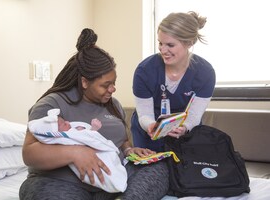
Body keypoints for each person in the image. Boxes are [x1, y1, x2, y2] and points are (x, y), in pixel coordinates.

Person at [19, 28, 170, 200]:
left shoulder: (114, 105)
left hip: (111, 182)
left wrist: (130, 151)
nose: (112, 89)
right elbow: (29, 154)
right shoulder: (53, 104)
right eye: (106, 85)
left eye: (113, 83)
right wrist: (75, 153)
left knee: (159, 168)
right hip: (62, 182)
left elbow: (122, 142)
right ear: (84, 82)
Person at [131, 11, 216, 152]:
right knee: (148, 172)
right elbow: (144, 114)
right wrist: (151, 125)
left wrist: (185, 127)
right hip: (150, 131)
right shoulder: (145, 71)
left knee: (182, 171)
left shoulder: (205, 72)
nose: (163, 50)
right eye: (160, 43)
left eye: (170, 45)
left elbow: (195, 115)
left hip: (184, 131)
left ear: (190, 42)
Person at [28, 108, 128, 193]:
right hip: (68, 185)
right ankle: (116, 183)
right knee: (110, 175)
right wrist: (77, 150)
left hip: (118, 161)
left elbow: (87, 138)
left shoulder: (114, 104)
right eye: (63, 124)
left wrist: (128, 149)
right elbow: (87, 141)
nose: (68, 122)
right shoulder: (64, 138)